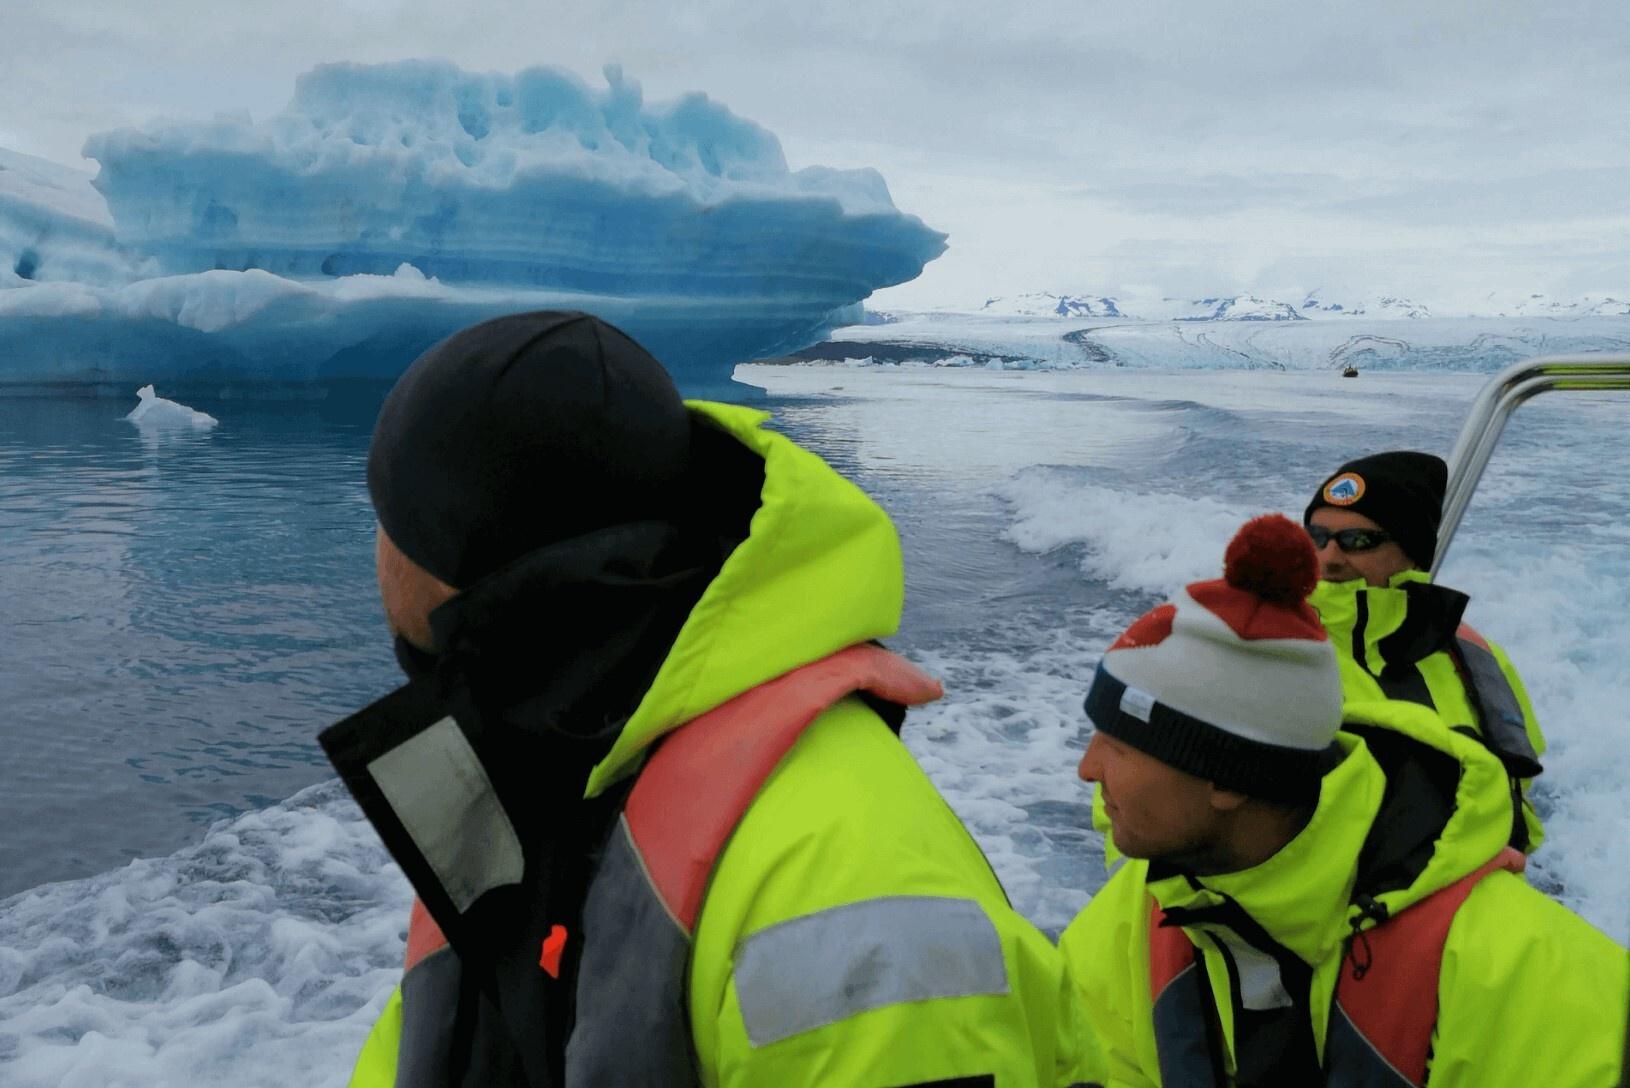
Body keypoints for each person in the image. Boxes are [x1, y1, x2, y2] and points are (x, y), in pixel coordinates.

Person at [322, 311, 1069, 1087]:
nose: (376, 549)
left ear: (456, 558)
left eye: (388, 515)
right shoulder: (540, 760)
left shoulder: (852, 885)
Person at [1058, 514, 1627, 1088]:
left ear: (1227, 779)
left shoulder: (1525, 977)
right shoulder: (1147, 913)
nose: (1087, 771)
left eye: (1121, 745)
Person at [1304, 451, 1546, 851]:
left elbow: (1518, 801)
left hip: (1468, 890)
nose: (1329, 558)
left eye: (1357, 541)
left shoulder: (1477, 658)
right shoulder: (1263, 651)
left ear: (1413, 552)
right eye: (1316, 537)